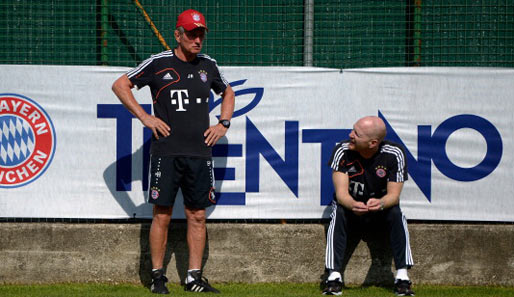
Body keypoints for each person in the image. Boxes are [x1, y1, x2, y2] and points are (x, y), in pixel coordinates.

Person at [112, 9, 235, 294]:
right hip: (166, 153)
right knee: (162, 214)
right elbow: (121, 85)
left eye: (201, 34)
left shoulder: (208, 66)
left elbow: (227, 92)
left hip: (200, 154)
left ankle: (194, 278)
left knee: (198, 215)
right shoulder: (159, 63)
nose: (197, 39)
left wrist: (223, 123)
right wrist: (146, 117)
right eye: (192, 34)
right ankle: (157, 277)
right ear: (177, 35)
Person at [322, 116, 414, 296]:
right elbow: (341, 195)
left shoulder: (394, 153)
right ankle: (333, 277)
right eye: (352, 130)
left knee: (396, 213)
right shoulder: (342, 151)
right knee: (337, 211)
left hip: (379, 211)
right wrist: (352, 204)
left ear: (372, 143)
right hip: (351, 210)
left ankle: (402, 277)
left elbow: (393, 197)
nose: (350, 135)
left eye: (356, 133)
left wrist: (380, 203)